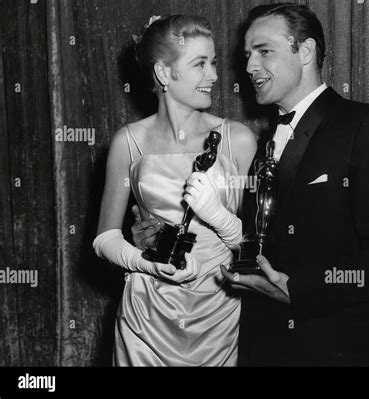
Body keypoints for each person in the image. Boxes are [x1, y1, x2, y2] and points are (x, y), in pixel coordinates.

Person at [218, 3, 369, 366]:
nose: (249, 67)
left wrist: (298, 291)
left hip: (334, 351)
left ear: (307, 51)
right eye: (248, 55)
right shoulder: (264, 142)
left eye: (264, 51)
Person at [93, 14, 257, 366]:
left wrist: (218, 216)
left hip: (219, 314)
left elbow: (257, 248)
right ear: (164, 73)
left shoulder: (238, 140)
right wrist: (144, 263)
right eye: (200, 64)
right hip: (146, 316)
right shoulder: (128, 142)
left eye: (213, 63)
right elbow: (103, 239)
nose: (214, 75)